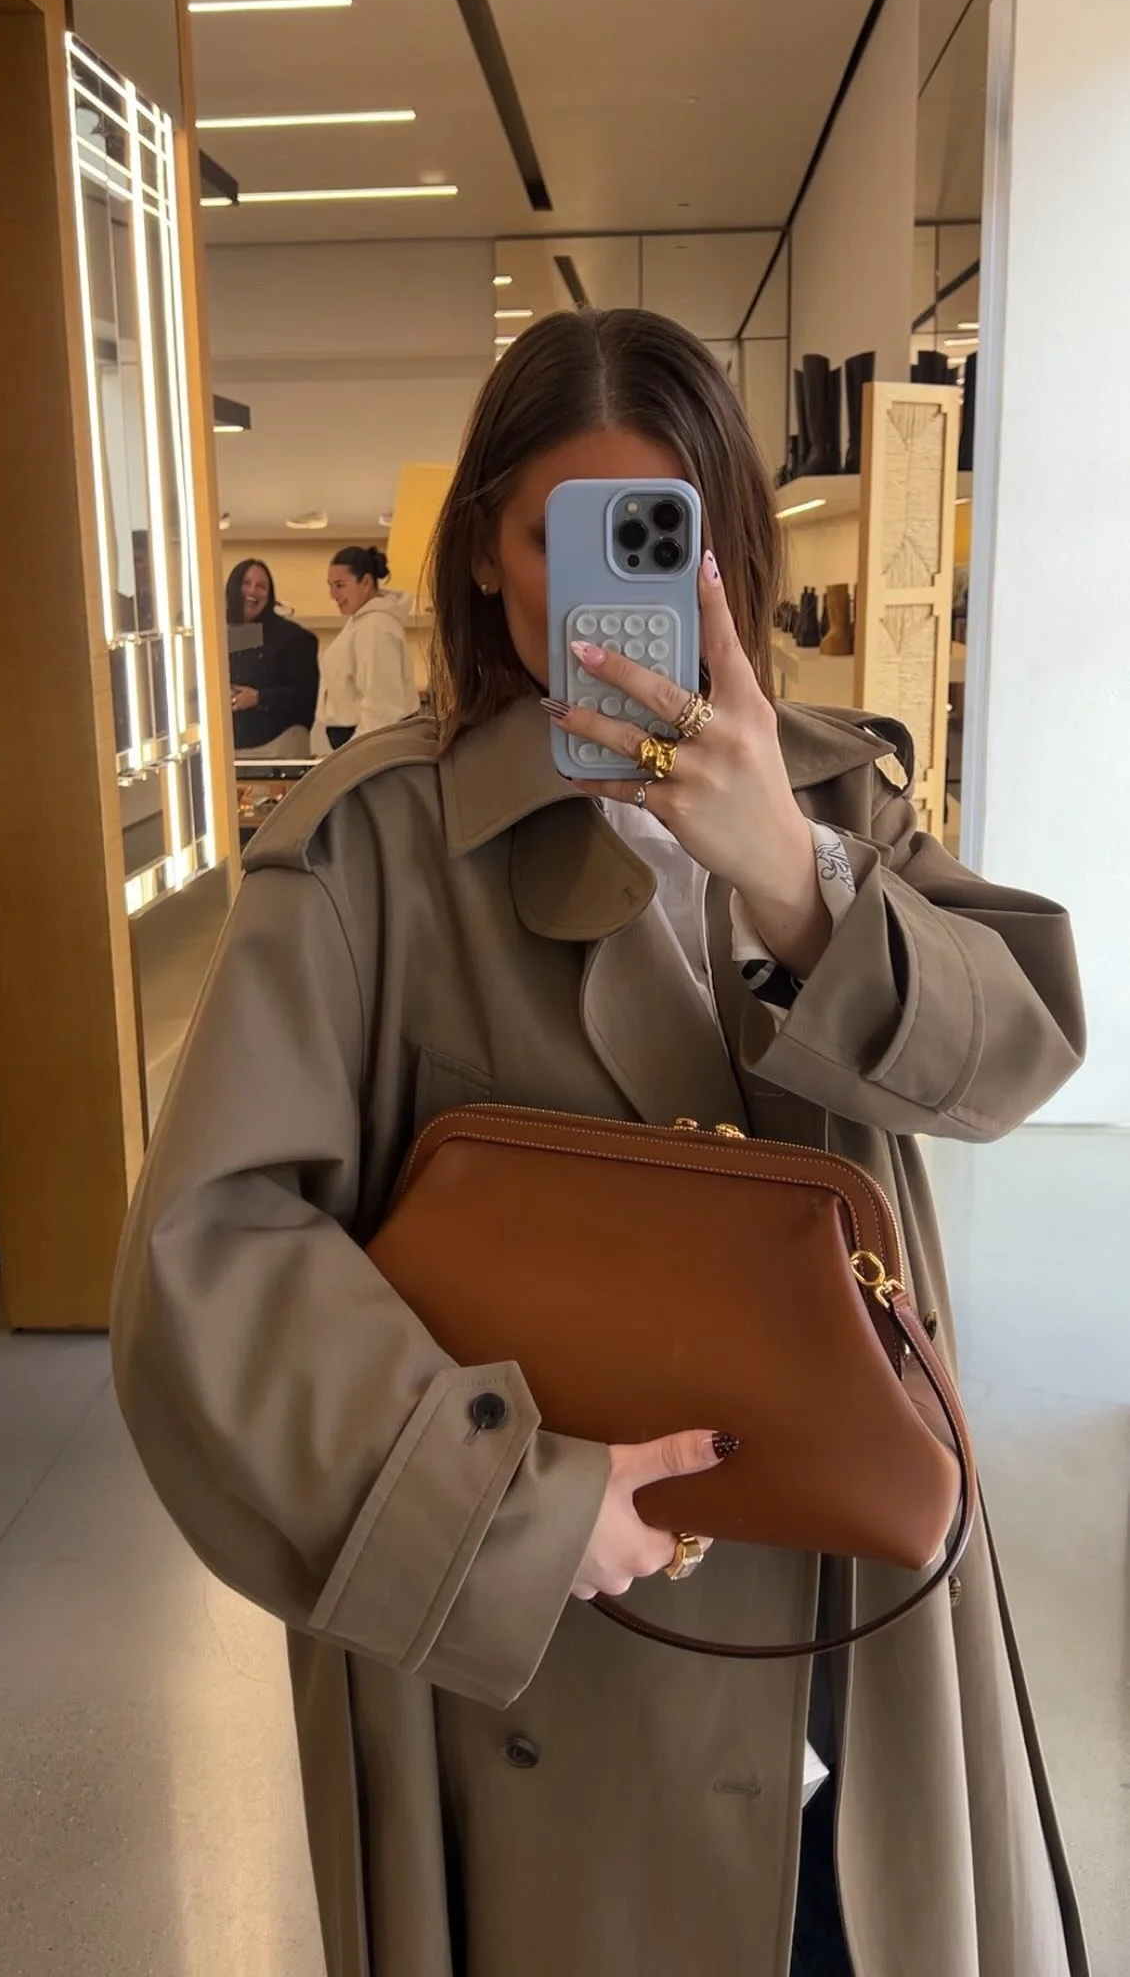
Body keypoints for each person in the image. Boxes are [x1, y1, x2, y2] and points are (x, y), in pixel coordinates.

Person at [112, 310, 1089, 1977]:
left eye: (667, 531)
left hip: (851, 1596)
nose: (613, 593)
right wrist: (506, 1505)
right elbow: (208, 1260)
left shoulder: (836, 797)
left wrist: (797, 884)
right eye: (564, 537)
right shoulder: (374, 854)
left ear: (731, 548)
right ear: (484, 553)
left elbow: (1011, 1061)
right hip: (555, 1644)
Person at [312, 543, 419, 750]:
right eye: (330, 585)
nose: (333, 594)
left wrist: (356, 753)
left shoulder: (376, 627)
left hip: (369, 742)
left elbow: (382, 707)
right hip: (358, 740)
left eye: (340, 585)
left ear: (367, 582)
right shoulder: (362, 622)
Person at [226, 557, 319, 757]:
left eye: (261, 586)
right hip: (227, 749)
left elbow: (307, 696)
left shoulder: (293, 638)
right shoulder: (217, 635)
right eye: (246, 583)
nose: (252, 591)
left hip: (277, 748)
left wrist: (259, 698)